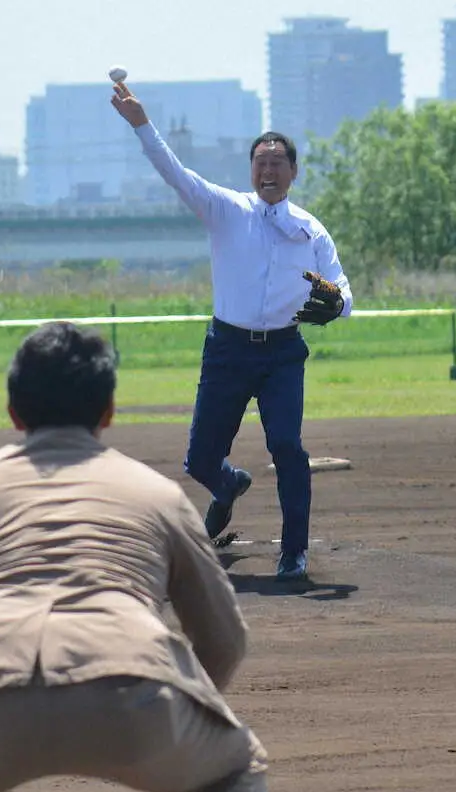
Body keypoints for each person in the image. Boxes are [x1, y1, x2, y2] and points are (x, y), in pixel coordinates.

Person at [0, 321, 269, 792]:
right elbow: (225, 641)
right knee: (238, 765)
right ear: (109, 412)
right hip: (134, 692)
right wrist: (181, 707)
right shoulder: (158, 495)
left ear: (13, 413)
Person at [110, 79, 354, 580]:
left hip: (283, 352)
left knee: (287, 446)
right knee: (200, 460)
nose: (268, 170)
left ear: (292, 172)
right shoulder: (225, 209)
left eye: (278, 163)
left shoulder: (310, 229)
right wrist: (143, 126)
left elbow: (343, 291)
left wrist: (339, 304)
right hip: (228, 348)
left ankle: (294, 552)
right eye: (261, 162)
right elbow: (175, 174)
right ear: (251, 170)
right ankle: (226, 486)